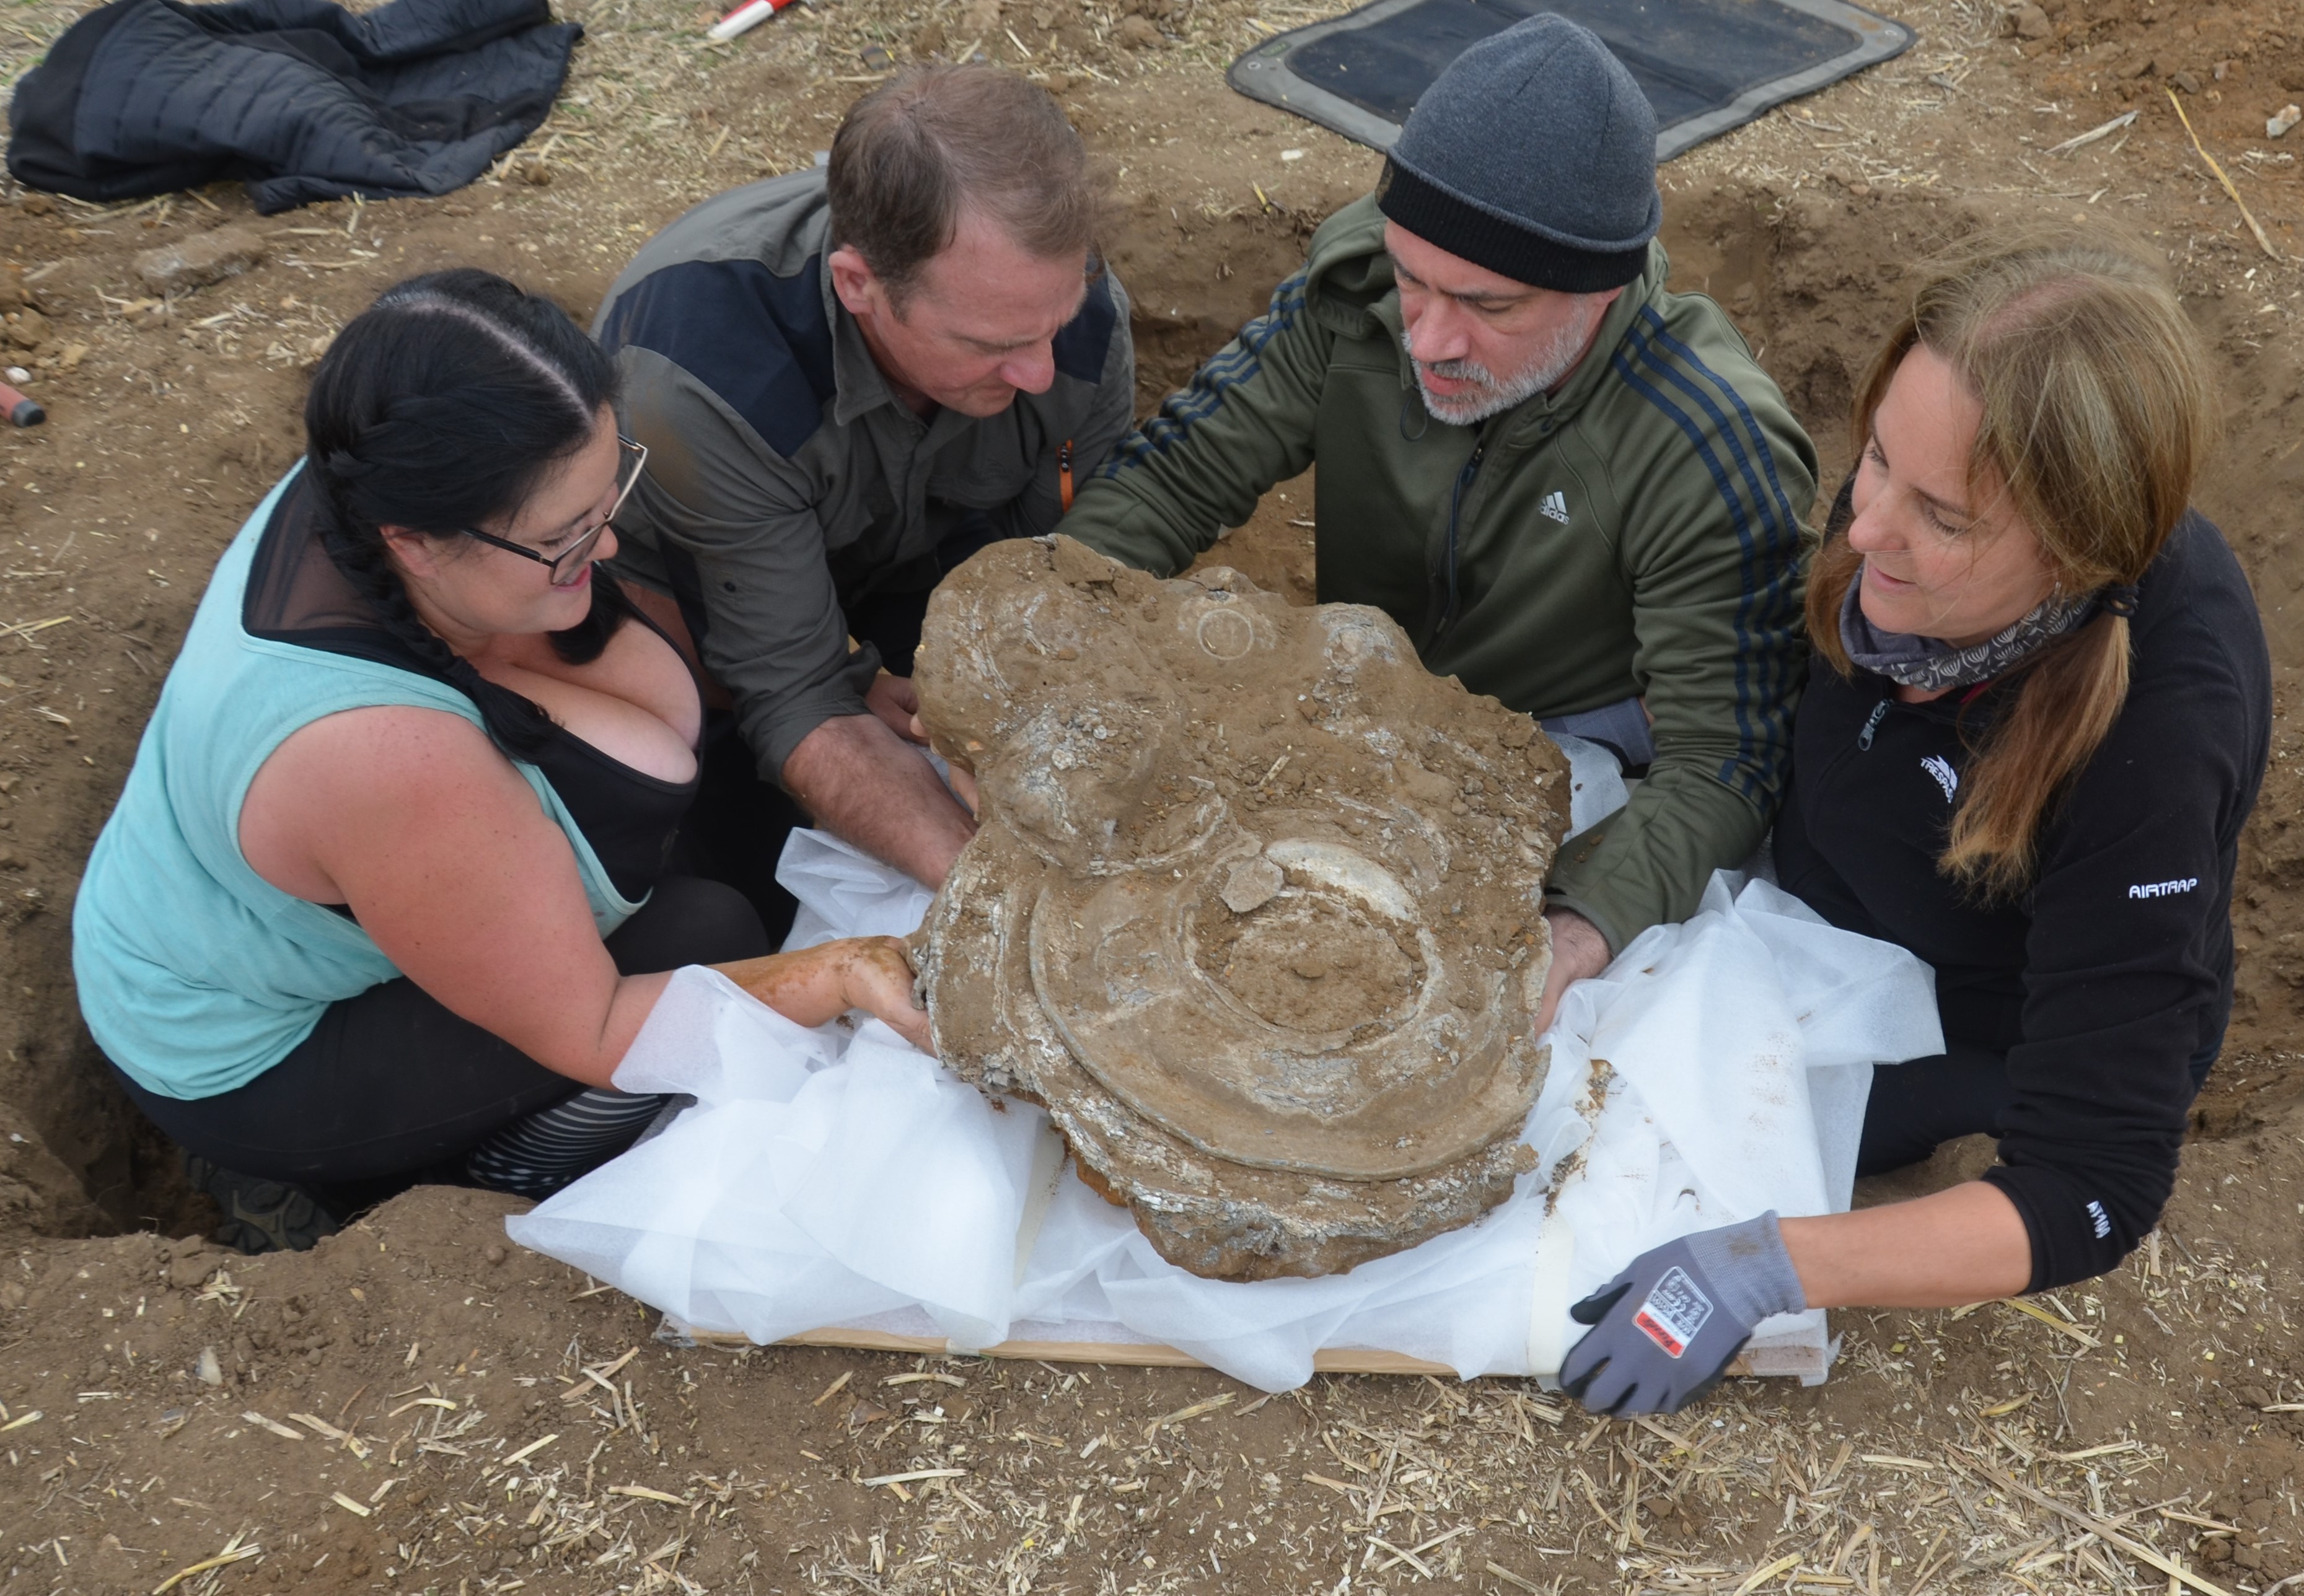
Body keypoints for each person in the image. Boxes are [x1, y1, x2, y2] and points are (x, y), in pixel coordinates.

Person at [1558, 226, 2269, 1415]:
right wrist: (1654, 718)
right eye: (1876, 458)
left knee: (1637, 1135)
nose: (1868, 526)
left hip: (1958, 1017)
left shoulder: (2150, 739)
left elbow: (2092, 1184)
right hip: (1827, 874)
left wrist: (1766, 1264)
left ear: (2075, 550)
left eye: (1941, 517)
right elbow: (1835, 587)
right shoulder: (1914, 484)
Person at [73, 271, 929, 1254]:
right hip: (255, 1057)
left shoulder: (392, 471)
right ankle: (428, 1185)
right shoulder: (383, 755)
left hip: (257, 902)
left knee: (719, 869)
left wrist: (825, 679)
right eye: (564, 538)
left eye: (610, 494)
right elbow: (598, 1028)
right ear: (419, 543)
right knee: (699, 931)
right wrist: (841, 973)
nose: (606, 543)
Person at [1058, 15, 1816, 1034]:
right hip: (1356, 696)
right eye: (1412, 279)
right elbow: (1172, 480)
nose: (1425, 336)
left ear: (1599, 287)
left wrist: (1582, 925)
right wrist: (1052, 635)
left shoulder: (1701, 442)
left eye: (1487, 306)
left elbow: (1724, 759)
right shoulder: (1358, 290)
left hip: (1572, 737)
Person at [592, 64, 1135, 923]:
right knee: (738, 882)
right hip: (701, 586)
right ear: (859, 287)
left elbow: (1061, 589)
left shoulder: (1074, 316)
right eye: (991, 343)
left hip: (920, 536)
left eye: (1053, 325)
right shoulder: (703, 379)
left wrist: (991, 712)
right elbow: (793, 691)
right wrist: (1018, 907)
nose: (1038, 372)